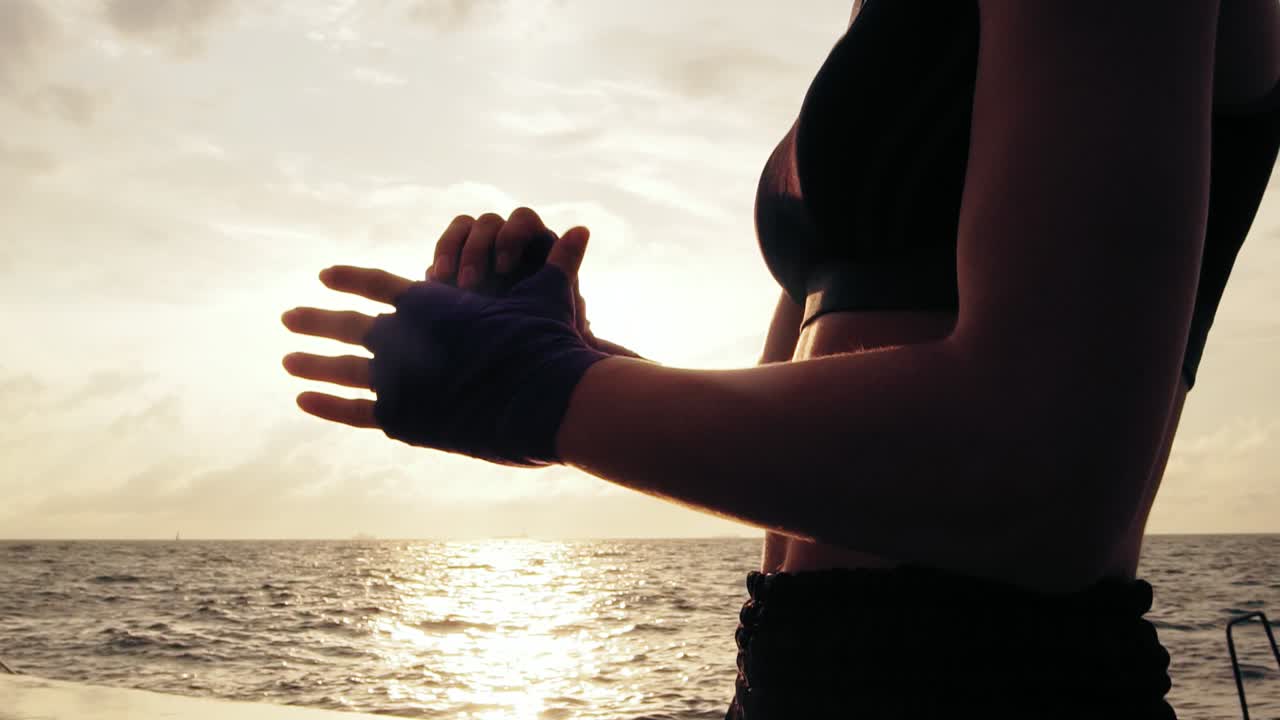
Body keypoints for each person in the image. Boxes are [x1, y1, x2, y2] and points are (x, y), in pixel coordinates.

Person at [278, 0, 1280, 716]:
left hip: (993, 680)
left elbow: (1041, 478)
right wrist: (580, 364)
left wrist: (541, 388)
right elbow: (830, 432)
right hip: (790, 667)